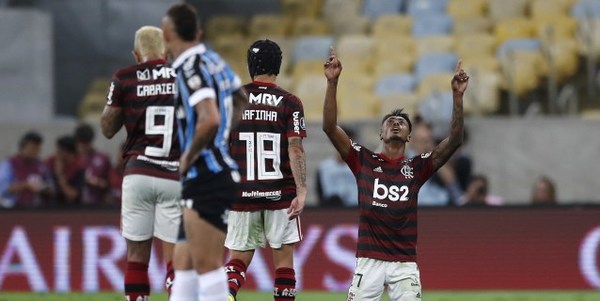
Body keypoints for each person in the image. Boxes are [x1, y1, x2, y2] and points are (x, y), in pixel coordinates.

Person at [322, 48, 469, 300]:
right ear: (381, 134)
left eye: (401, 122)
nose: (396, 123)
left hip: (404, 264)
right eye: (390, 121)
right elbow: (328, 126)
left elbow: (454, 141)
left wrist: (457, 97)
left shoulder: (417, 167)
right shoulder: (362, 159)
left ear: (409, 137)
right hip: (368, 262)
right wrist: (332, 82)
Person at [162, 4, 248, 301]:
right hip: (209, 174)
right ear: (197, 32)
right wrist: (223, 136)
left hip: (206, 175)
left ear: (167, 34)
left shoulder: (188, 67)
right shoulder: (213, 60)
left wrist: (187, 157)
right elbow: (241, 98)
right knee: (183, 266)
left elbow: (209, 117)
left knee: (208, 267)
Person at [100, 25, 181, 301]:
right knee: (175, 259)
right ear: (166, 51)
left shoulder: (124, 78)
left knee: (136, 258)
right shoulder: (182, 75)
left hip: (138, 173)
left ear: (136, 54)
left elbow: (108, 128)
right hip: (174, 173)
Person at [225, 39, 307, 301]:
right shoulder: (290, 102)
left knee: (237, 259)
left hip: (242, 192)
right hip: (279, 194)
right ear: (278, 66)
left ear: (250, 64)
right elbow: (295, 147)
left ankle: (225, 294)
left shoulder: (232, 99)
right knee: (284, 262)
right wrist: (302, 190)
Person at [0, 131, 53, 208]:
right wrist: (26, 185)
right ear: (23, 148)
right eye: (33, 148)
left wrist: (42, 188)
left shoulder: (42, 166)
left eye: (38, 148)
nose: (36, 151)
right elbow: (3, 188)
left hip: (37, 210)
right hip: (13, 209)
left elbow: (51, 189)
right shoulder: (9, 164)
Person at [316, 126, 358, 207]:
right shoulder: (324, 167)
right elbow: (320, 193)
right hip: (332, 210)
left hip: (355, 209)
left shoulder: (360, 165)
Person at [74, 123, 112, 205]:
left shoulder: (103, 158)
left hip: (97, 206)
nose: (84, 146)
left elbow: (110, 183)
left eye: (86, 142)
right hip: (74, 207)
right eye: (81, 142)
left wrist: (96, 182)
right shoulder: (73, 158)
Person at [46, 135, 85, 206]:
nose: (57, 153)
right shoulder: (50, 162)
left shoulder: (79, 168)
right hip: (51, 207)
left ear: (70, 153)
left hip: (72, 209)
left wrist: (59, 174)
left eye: (60, 150)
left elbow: (72, 196)